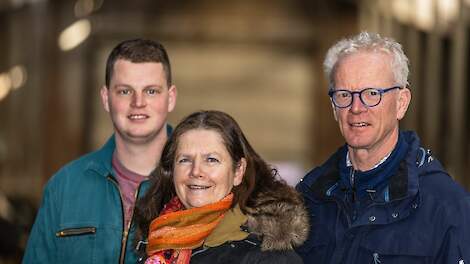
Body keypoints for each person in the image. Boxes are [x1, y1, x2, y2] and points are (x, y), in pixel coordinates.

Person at [296, 32, 470, 263]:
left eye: (371, 94)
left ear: (401, 103)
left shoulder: (448, 209)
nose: (356, 108)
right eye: (344, 95)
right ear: (333, 107)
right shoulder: (309, 198)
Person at [23, 39, 177, 263]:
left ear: (170, 98)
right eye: (125, 91)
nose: (138, 102)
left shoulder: (198, 186)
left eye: (151, 91)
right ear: (106, 98)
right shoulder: (64, 187)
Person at [134, 110, 309, 264]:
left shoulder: (270, 258)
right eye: (185, 160)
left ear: (238, 171)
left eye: (211, 160)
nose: (196, 171)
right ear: (171, 171)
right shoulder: (154, 239)